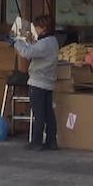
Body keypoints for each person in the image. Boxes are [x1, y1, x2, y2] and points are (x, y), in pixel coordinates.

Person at [13, 15, 60, 151]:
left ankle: (37, 142)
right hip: (48, 82)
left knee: (39, 114)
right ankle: (52, 141)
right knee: (49, 114)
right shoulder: (53, 42)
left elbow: (27, 53)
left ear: (44, 28)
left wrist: (16, 41)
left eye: (37, 27)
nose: (35, 30)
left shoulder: (44, 43)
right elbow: (36, 48)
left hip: (38, 82)